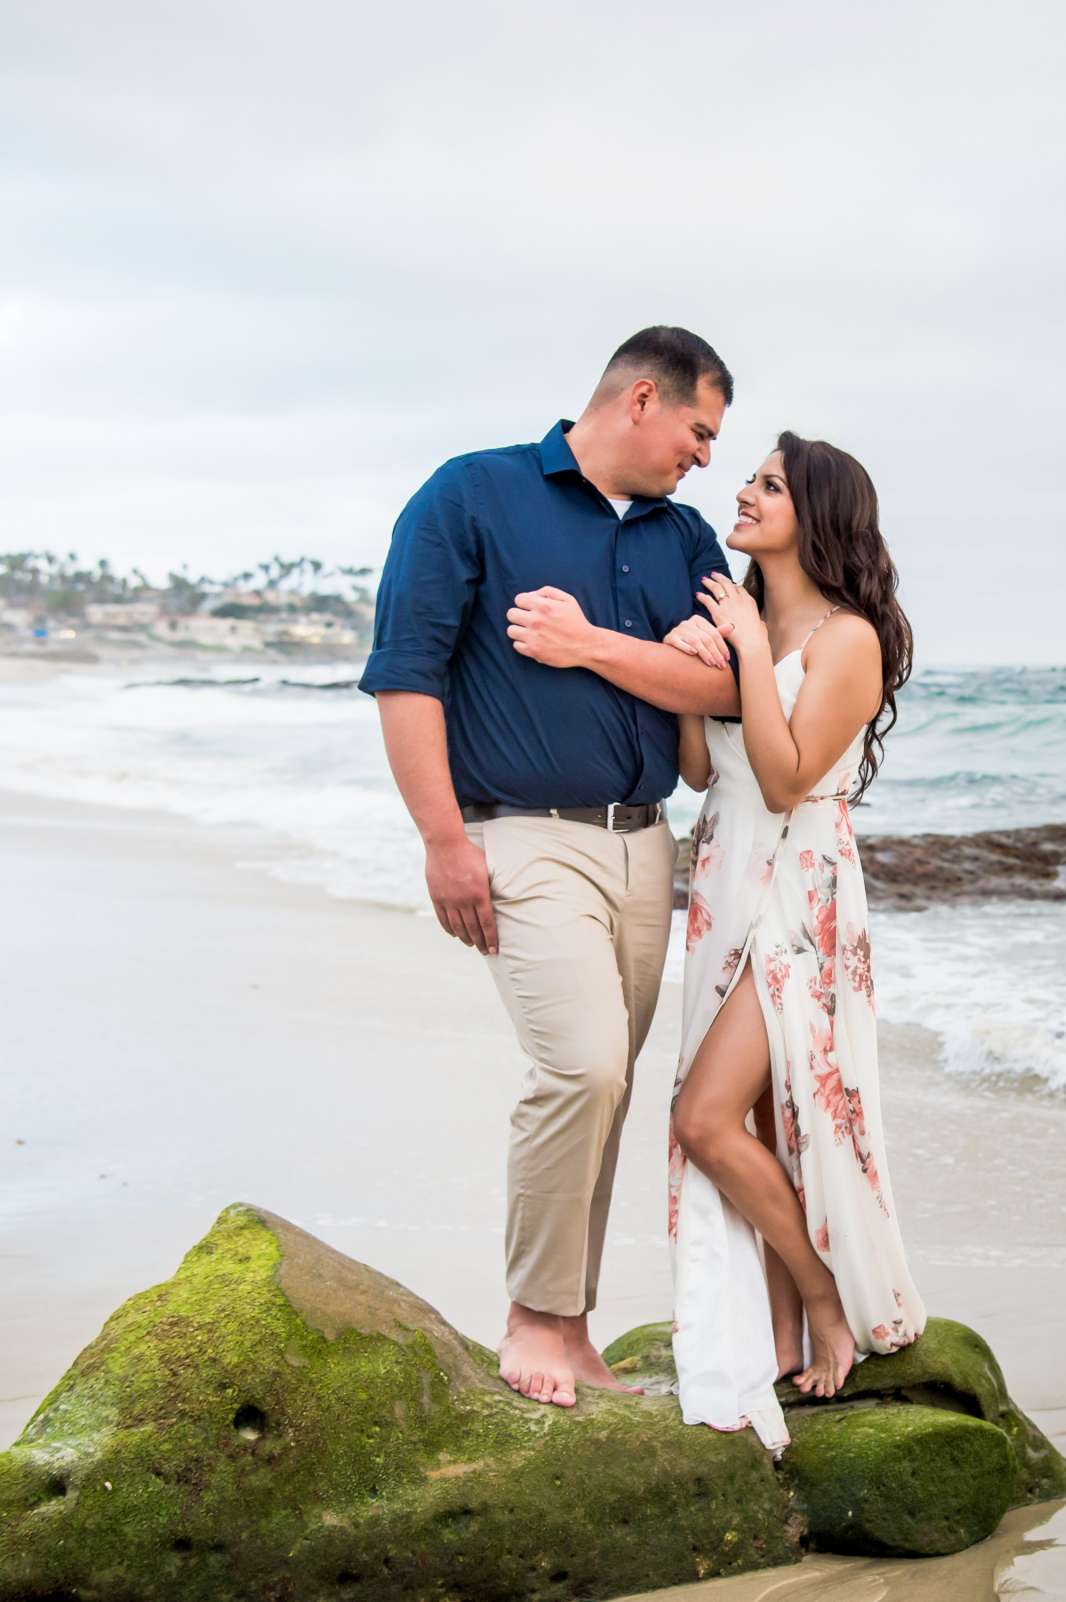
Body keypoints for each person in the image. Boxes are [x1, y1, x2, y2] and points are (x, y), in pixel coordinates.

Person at [360, 327, 743, 1409]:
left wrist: (623, 651)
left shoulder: (688, 537)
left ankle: (571, 1326)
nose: (705, 457)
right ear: (641, 397)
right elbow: (406, 675)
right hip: (520, 834)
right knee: (578, 1070)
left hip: (645, 844)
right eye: (700, 431)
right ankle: (531, 1316)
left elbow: (729, 692)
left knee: (609, 1093)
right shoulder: (471, 494)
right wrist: (443, 841)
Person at [658, 431, 924, 1450]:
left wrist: (741, 651)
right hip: (724, 873)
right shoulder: (744, 617)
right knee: (757, 1124)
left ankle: (819, 1296)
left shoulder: (847, 637)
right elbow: (700, 767)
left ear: (816, 513)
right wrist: (699, 659)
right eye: (751, 479)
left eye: (768, 483)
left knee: (706, 1120)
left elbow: (786, 776)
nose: (745, 491)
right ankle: (772, 1323)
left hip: (796, 890)